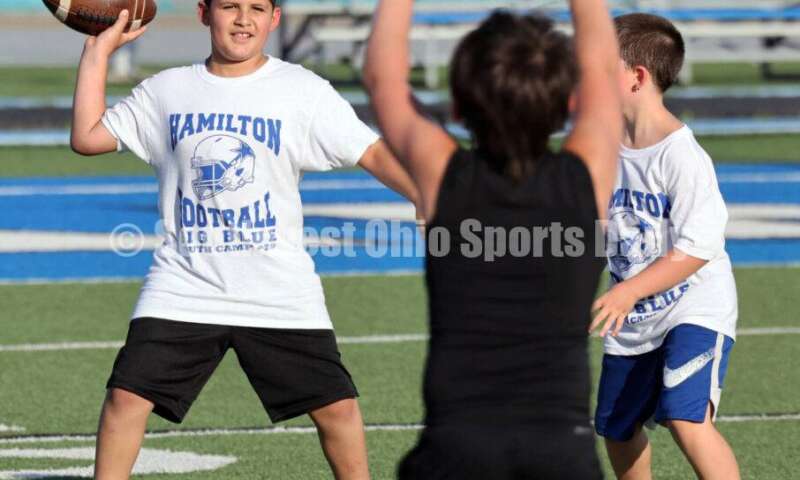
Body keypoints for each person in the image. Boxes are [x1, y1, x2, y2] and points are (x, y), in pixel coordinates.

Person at [70, 1, 419, 479]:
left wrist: (423, 195)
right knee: (125, 398)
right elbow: (88, 137)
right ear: (203, 14)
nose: (242, 19)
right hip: (184, 285)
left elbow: (372, 152)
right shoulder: (168, 90)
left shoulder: (301, 90)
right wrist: (97, 53)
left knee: (337, 410)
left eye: (257, 8)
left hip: (277, 288)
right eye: (229, 6)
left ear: (274, 18)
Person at [363, 1, 622, 478]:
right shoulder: (586, 177)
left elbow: (383, 79)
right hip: (561, 452)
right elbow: (604, 70)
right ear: (569, 103)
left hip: (456, 448)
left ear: (459, 109)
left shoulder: (446, 175)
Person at [589, 13, 739, 480]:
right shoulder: (602, 144)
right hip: (634, 317)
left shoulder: (680, 154)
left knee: (686, 415)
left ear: (636, 77)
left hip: (693, 302)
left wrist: (630, 290)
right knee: (616, 427)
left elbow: (698, 246)